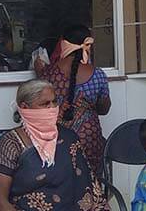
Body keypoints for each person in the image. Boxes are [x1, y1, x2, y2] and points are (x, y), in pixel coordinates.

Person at [0, 79, 109, 211]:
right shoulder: (11, 143)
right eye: (45, 104)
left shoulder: (69, 138)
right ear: (25, 107)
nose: (52, 108)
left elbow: (88, 186)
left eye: (54, 102)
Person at [35, 25, 111, 174]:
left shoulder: (48, 73)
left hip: (58, 139)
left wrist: (40, 73)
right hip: (89, 138)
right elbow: (104, 109)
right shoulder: (97, 74)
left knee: (61, 179)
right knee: (90, 180)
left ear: (63, 44)